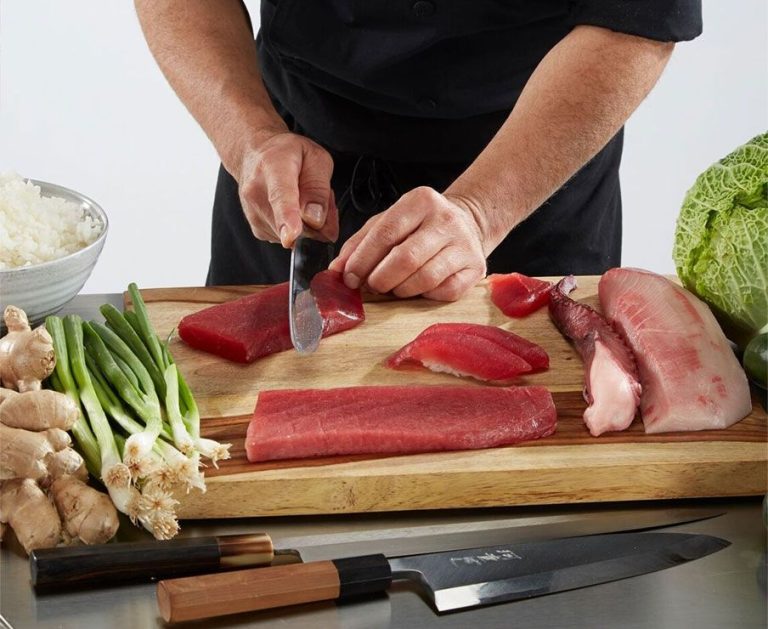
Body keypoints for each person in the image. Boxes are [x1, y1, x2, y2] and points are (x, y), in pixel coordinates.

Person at [135, 1, 702, 301]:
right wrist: (250, 138)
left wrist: (481, 211)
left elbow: (639, 18)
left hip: (530, 174)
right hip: (292, 168)